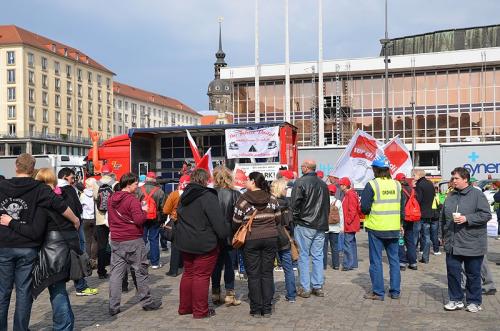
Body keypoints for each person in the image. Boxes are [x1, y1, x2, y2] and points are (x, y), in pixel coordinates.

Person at [0, 153, 79, 331]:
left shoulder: (2, 185)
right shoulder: (39, 188)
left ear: (16, 166)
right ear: (32, 169)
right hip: (28, 246)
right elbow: (60, 206)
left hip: (4, 245)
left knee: (2, 293)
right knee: (23, 293)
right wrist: (75, 220)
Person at [175, 169, 228, 319]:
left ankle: (185, 307)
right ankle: (200, 311)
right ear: (205, 180)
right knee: (201, 276)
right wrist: (224, 234)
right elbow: (218, 222)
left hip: (186, 241)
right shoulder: (207, 196)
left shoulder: (184, 196)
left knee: (189, 274)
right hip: (204, 243)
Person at [107, 172, 162, 316]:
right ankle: (147, 302)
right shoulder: (132, 200)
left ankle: (113, 305)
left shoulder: (112, 198)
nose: (137, 187)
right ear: (129, 184)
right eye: (136, 184)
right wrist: (144, 212)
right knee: (141, 271)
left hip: (117, 240)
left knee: (116, 274)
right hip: (133, 240)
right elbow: (139, 220)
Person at [32, 168, 80, 330]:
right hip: (68, 247)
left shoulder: (45, 199)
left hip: (53, 251)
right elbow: (77, 216)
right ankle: (67, 324)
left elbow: (38, 229)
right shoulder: (66, 194)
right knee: (59, 289)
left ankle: (63, 326)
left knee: (57, 290)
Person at [442, 167, 491, 313]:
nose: (453, 181)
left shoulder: (477, 195)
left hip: (473, 242)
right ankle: (455, 299)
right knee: (453, 273)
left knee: (473, 274)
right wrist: (442, 236)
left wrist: (467, 218)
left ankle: (474, 301)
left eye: (456, 178)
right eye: (453, 178)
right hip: (453, 242)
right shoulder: (450, 195)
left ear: (465, 179)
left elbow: (486, 215)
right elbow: (443, 218)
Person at [233, 172, 282, 317]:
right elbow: (278, 219)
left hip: (251, 239)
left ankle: (255, 308)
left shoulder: (243, 200)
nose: (246, 182)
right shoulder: (272, 199)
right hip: (270, 238)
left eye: (247, 180)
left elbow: (235, 221)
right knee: (267, 273)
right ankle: (266, 308)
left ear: (253, 182)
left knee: (253, 274)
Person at [361, 156, 405, 301]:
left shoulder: (372, 185)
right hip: (393, 227)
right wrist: (400, 224)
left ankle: (378, 293)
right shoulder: (397, 185)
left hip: (376, 227)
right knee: (394, 260)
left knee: (376, 261)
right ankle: (395, 291)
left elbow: (365, 208)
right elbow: (401, 207)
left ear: (375, 169)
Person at [291, 160, 330, 298]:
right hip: (320, 225)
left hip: (305, 224)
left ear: (306, 168)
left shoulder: (300, 182)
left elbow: (294, 204)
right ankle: (317, 286)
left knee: (303, 255)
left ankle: (305, 287)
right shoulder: (324, 184)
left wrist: (294, 220)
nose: (301, 167)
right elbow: (327, 206)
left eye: (302, 166)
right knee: (318, 256)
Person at [58, 168, 98, 297]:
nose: (74, 180)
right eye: (72, 177)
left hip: (58, 229)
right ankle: (81, 286)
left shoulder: (51, 189)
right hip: (74, 226)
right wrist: (75, 220)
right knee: (78, 255)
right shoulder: (69, 189)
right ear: (65, 177)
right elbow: (77, 207)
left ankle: (59, 287)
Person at [210, 166, 241, 306]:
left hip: (214, 234)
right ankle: (230, 294)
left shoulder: (210, 193)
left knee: (216, 265)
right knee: (229, 265)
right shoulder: (235, 194)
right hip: (231, 233)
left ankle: (216, 293)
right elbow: (238, 216)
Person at [271, 178, 297, 303]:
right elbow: (288, 222)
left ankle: (269, 295)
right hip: (283, 237)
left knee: (268, 269)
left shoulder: (269, 203)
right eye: (285, 188)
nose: (287, 190)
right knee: (288, 267)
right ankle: (291, 295)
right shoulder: (285, 204)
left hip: (270, 237)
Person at [137, 171, 165, 269]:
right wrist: (162, 220)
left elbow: (135, 205)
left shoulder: (139, 190)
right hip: (155, 218)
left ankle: (141, 261)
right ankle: (155, 263)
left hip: (142, 217)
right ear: (155, 179)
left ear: (146, 179)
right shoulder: (160, 191)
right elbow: (163, 208)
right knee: (154, 240)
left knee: (142, 240)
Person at [163, 175, 190, 277]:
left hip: (176, 221)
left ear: (180, 183)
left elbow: (165, 210)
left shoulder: (174, 194)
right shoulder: (193, 195)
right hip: (189, 223)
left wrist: (172, 212)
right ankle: (183, 265)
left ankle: (173, 270)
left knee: (175, 246)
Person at [93, 165, 117, 279]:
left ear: (101, 173)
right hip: (112, 218)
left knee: (101, 245)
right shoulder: (115, 183)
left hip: (100, 218)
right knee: (116, 244)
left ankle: (101, 271)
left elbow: (94, 198)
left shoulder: (95, 184)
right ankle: (117, 269)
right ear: (111, 173)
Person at [396, 173, 418, 271]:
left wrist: (400, 220)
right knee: (410, 240)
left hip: (402, 218)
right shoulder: (412, 189)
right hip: (411, 217)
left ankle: (402, 262)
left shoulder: (399, 190)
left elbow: (400, 206)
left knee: (400, 240)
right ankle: (413, 262)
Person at [413, 169, 436, 264]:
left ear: (419, 175)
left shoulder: (419, 185)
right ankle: (425, 257)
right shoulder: (430, 183)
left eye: (414, 175)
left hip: (419, 214)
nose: (413, 177)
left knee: (414, 236)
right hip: (429, 213)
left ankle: (412, 257)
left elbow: (418, 199)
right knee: (426, 236)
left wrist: (414, 190)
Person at [339, 177, 360, 271]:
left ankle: (348, 264)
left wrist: (347, 221)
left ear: (345, 185)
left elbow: (352, 210)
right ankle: (353, 263)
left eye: (341, 185)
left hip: (350, 224)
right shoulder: (349, 194)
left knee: (347, 244)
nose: (340, 186)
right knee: (351, 243)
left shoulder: (350, 194)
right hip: (351, 223)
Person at [323, 184, 343, 270]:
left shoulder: (323, 201)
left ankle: (323, 265)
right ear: (335, 192)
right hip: (335, 228)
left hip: (325, 227)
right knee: (335, 247)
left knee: (324, 247)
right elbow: (341, 215)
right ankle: (336, 265)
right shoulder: (338, 202)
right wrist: (342, 227)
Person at [80, 177, 98, 268]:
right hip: (95, 219)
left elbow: (80, 207)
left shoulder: (83, 195)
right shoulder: (96, 194)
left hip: (86, 219)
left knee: (87, 240)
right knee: (95, 241)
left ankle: (87, 261)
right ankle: (93, 260)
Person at [431, 186, 442, 255]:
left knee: (425, 234)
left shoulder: (427, 195)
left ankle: (422, 249)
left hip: (427, 215)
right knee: (435, 234)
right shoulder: (437, 196)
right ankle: (436, 250)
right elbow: (439, 205)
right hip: (435, 216)